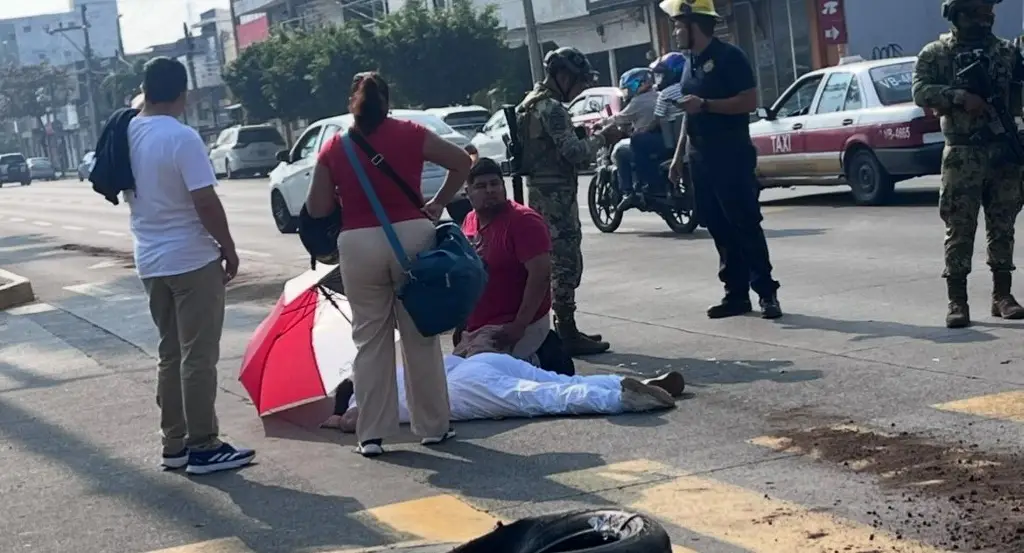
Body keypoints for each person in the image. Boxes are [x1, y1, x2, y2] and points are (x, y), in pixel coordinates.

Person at [305, 71, 473, 458]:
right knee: (420, 336)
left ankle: (373, 435)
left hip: (358, 243)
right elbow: (462, 162)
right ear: (387, 100)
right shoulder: (411, 133)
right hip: (412, 236)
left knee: (369, 340)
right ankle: (432, 428)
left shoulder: (335, 147)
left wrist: (341, 190)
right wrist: (437, 202)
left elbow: (317, 209)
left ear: (352, 102)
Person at [126, 57, 255, 475]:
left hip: (150, 260)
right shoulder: (181, 137)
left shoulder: (127, 131)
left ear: (145, 90)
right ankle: (204, 445)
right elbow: (205, 201)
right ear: (183, 93)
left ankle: (175, 444)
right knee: (198, 356)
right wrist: (228, 246)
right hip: (191, 259)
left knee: (170, 353)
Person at [662, 0, 782, 320]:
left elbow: (749, 101)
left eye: (678, 25)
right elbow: (690, 112)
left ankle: (767, 293)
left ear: (694, 25)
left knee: (744, 223)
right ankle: (736, 294)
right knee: (717, 226)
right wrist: (677, 158)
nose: (675, 32)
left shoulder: (731, 57)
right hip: (699, 159)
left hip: (731, 156)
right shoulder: (689, 63)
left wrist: (706, 104)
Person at [912, 0, 1024, 328]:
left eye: (988, 10)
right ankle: (957, 301)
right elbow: (920, 92)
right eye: (976, 11)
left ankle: (1002, 296)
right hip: (963, 154)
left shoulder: (1007, 53)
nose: (985, 17)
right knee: (960, 229)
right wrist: (960, 97)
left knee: (1002, 226)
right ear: (957, 15)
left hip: (1003, 151)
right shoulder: (935, 53)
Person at [515, 46, 625, 356]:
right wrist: (604, 137)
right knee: (564, 262)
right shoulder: (551, 108)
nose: (581, 88)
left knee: (554, 261)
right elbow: (575, 153)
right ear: (562, 76)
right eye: (578, 80)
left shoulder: (530, 103)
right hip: (555, 196)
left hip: (541, 191)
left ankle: (561, 328)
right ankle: (566, 331)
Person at [325, 352, 687, 432]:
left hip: (461, 389)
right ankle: (631, 382)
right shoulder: (392, 367)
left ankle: (620, 397)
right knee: (555, 380)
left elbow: (355, 420)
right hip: (474, 362)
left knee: (541, 397)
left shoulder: (364, 397)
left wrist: (337, 418)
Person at [459, 157, 553, 362]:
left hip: (512, 324)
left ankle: (533, 365)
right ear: (468, 193)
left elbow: (541, 276)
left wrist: (519, 326)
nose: (490, 190)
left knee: (477, 379)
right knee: (448, 376)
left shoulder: (524, 221)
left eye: (495, 183)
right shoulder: (470, 220)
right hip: (479, 326)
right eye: (481, 186)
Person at [622, 53, 689, 211]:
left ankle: (648, 184)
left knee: (637, 141)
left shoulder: (665, 94)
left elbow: (657, 120)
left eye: (661, 75)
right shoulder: (690, 88)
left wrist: (642, 130)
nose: (658, 80)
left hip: (671, 141)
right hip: (690, 139)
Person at [604, 68, 658, 200]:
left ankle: (628, 191)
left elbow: (621, 117)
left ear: (639, 84)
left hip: (646, 141)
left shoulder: (638, 101)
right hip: (660, 140)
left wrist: (603, 122)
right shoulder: (658, 95)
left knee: (620, 151)